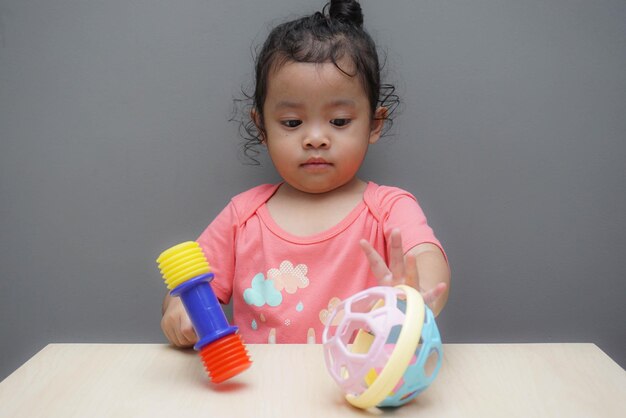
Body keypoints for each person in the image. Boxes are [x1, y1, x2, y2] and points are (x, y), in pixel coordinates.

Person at [161, 0, 450, 346]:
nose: (315, 139)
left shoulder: (389, 207)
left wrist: (414, 296)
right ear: (262, 126)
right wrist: (180, 313)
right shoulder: (242, 216)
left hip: (356, 388)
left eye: (339, 121)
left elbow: (426, 259)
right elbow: (189, 289)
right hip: (261, 394)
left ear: (375, 124)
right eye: (292, 123)